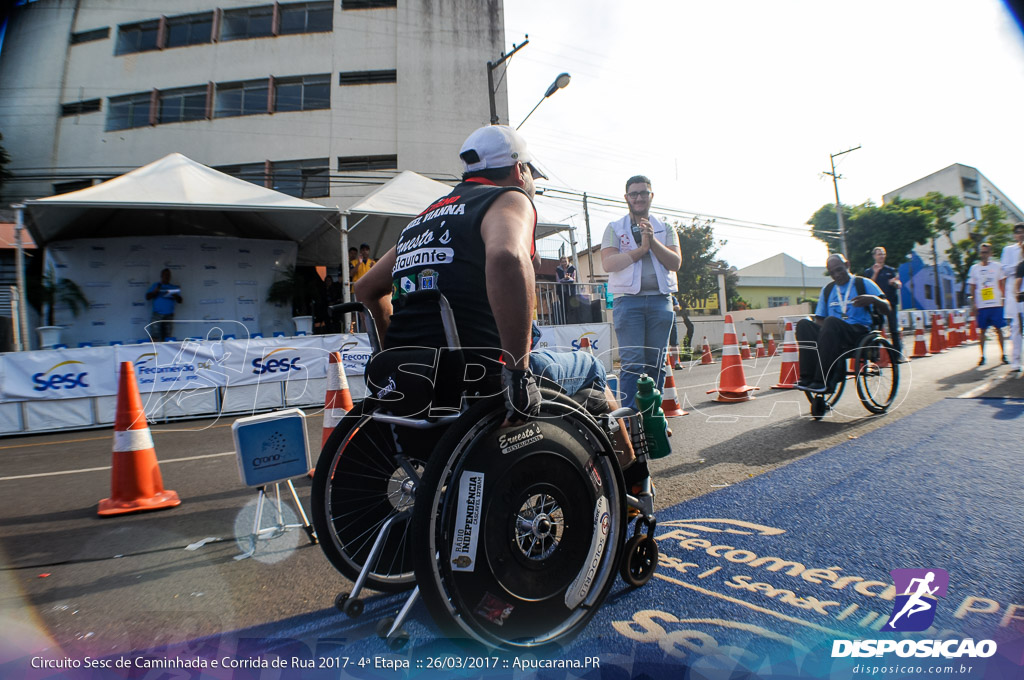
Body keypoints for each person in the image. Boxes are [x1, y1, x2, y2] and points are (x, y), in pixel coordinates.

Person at [354, 124, 647, 471]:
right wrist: (518, 374)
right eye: (531, 175)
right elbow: (508, 257)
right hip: (483, 375)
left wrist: (400, 354)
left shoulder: (424, 218)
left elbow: (366, 288)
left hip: (421, 378)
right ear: (518, 170)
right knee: (592, 367)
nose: (532, 184)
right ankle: (630, 479)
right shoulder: (508, 197)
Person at [600, 175, 681, 410]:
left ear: (651, 196)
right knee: (632, 366)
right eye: (634, 194)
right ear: (626, 197)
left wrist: (652, 242)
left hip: (660, 300)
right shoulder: (614, 228)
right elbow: (609, 264)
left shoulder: (665, 227)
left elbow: (675, 262)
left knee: (655, 364)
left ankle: (652, 416)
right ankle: (630, 420)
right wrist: (641, 249)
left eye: (643, 193)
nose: (638, 198)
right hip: (628, 302)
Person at [795, 253, 890, 393]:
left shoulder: (862, 283)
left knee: (831, 322)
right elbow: (820, 318)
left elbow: (888, 308)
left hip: (858, 332)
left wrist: (874, 299)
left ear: (847, 265)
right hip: (832, 332)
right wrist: (822, 333)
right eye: (832, 273)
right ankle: (807, 378)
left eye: (839, 270)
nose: (836, 275)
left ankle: (823, 380)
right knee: (803, 324)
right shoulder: (827, 290)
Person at [968, 242, 1008, 366]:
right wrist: (974, 303)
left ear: (990, 253)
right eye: (982, 252)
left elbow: (1002, 284)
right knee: (982, 331)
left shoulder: (997, 266)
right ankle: (982, 356)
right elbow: (972, 287)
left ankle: (1003, 355)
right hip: (982, 305)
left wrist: (1003, 298)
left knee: (999, 329)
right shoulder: (974, 268)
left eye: (986, 252)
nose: (983, 255)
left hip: (996, 304)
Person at [864, 246, 904, 358]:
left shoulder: (890, 270)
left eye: (883, 254)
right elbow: (868, 285)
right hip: (876, 304)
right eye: (879, 254)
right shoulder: (869, 271)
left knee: (894, 329)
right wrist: (876, 273)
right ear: (874, 256)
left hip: (890, 303)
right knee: (875, 329)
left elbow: (899, 284)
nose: (881, 256)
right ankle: (874, 356)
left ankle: (897, 356)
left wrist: (895, 283)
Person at [999, 222, 1024, 372]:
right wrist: (1020, 266)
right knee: (1016, 328)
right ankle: (1016, 361)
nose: (1020, 234)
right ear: (1015, 235)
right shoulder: (1008, 250)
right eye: (1018, 232)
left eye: (1023, 232)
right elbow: (1005, 270)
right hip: (1015, 294)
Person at [145, 268, 182, 342]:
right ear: (161, 276)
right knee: (154, 335)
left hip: (169, 315)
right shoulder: (156, 285)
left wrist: (175, 296)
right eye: (165, 275)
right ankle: (154, 352)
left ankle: (166, 353)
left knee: (167, 337)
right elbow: (147, 297)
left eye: (168, 275)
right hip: (157, 315)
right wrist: (155, 292)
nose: (167, 277)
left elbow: (180, 300)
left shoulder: (173, 287)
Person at [555, 255, 577, 323]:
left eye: (565, 261)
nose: (564, 263)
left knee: (572, 306)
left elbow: (573, 279)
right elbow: (558, 280)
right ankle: (564, 321)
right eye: (562, 262)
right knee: (563, 306)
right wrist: (564, 279)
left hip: (571, 290)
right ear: (560, 263)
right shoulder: (558, 269)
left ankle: (572, 321)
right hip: (562, 290)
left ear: (568, 261)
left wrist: (568, 279)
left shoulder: (572, 268)